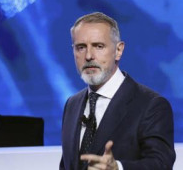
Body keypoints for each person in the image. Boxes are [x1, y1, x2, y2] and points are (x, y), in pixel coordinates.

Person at [59, 12, 175, 170]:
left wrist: (118, 168)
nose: (88, 56)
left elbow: (161, 164)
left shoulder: (150, 105)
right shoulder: (72, 105)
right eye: (81, 47)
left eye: (98, 46)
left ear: (118, 50)